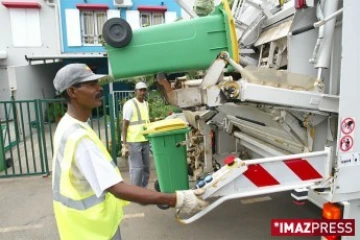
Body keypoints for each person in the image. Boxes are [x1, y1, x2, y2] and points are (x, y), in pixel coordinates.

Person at [51, 63, 208, 240]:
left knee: (144, 170)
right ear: (72, 92)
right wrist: (175, 199)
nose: (99, 88)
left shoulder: (67, 125)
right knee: (136, 170)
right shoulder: (80, 138)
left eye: (97, 83)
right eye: (91, 85)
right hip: (94, 231)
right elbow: (118, 189)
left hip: (79, 227)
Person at [121, 82, 150, 188]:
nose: (142, 92)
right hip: (133, 141)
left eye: (144, 90)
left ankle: (143, 190)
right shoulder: (129, 104)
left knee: (146, 167)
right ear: (135, 91)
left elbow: (145, 121)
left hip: (145, 139)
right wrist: (124, 144)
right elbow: (124, 125)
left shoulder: (146, 104)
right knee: (137, 168)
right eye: (140, 90)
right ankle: (135, 190)